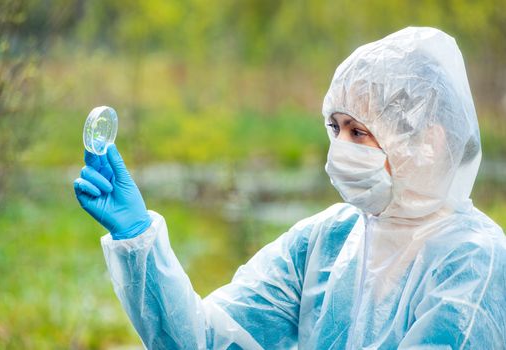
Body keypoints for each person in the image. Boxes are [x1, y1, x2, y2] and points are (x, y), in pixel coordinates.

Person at [73, 27, 506, 349]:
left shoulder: (474, 260)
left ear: (427, 142)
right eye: (335, 128)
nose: (339, 149)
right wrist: (137, 239)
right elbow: (205, 340)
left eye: (359, 132)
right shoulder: (326, 241)